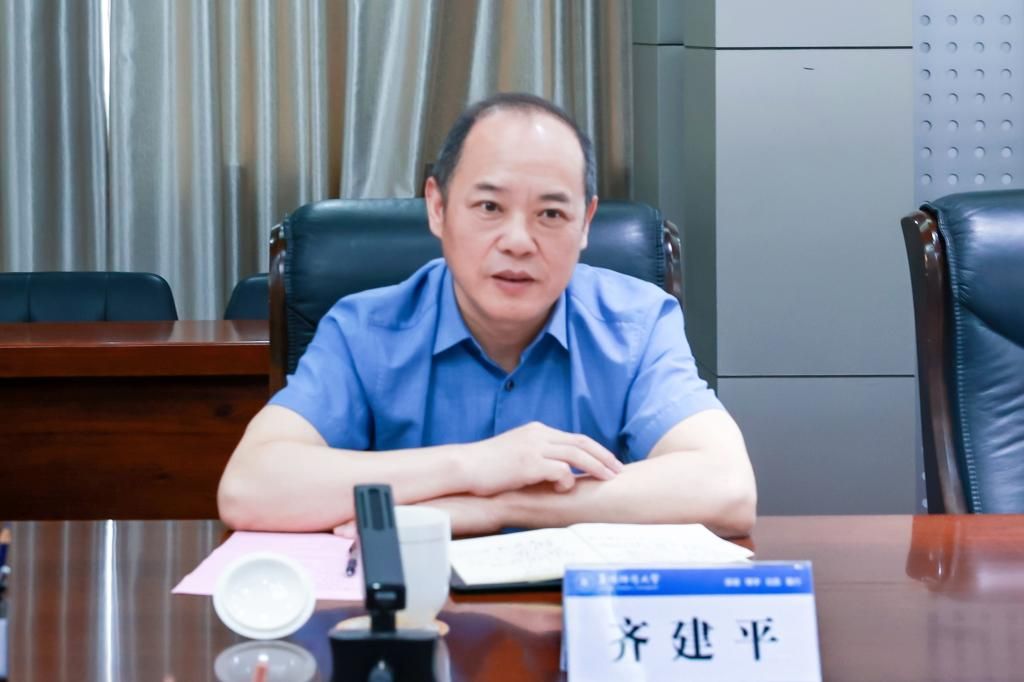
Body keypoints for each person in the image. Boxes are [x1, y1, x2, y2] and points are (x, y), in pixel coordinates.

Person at [218, 93, 756, 538]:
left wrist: (499, 506)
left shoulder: (637, 324)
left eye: (551, 213)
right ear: (437, 208)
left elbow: (727, 488)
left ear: (586, 223)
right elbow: (250, 488)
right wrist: (475, 465)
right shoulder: (365, 330)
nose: (518, 241)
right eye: (490, 207)